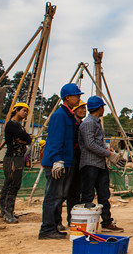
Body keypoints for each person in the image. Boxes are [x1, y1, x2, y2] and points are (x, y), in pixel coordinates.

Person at [39, 83, 83, 239]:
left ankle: (54, 226)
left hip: (65, 162)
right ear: (68, 97)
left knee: (58, 197)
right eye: (77, 95)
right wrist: (57, 160)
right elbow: (56, 140)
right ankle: (47, 229)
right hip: (57, 163)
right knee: (52, 196)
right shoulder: (60, 115)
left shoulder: (69, 115)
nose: (79, 98)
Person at [79, 96, 124, 232]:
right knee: (88, 195)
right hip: (90, 164)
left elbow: (96, 142)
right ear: (100, 108)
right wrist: (108, 154)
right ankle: (86, 223)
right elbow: (90, 144)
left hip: (99, 164)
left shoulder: (96, 122)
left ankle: (106, 221)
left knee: (104, 194)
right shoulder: (88, 123)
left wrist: (106, 149)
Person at [0, 102, 32, 224]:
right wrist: (25, 139)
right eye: (23, 110)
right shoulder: (13, 125)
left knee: (8, 184)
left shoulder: (17, 126)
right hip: (13, 158)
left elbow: (27, 138)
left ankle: (4, 211)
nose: (25, 113)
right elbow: (25, 137)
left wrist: (26, 139)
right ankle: (8, 213)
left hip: (14, 158)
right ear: (16, 110)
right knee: (13, 185)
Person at [60, 100, 87, 230]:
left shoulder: (82, 125)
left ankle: (73, 220)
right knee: (62, 192)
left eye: (85, 108)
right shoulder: (72, 124)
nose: (83, 110)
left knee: (75, 193)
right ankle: (56, 221)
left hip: (78, 161)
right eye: (81, 108)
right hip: (69, 160)